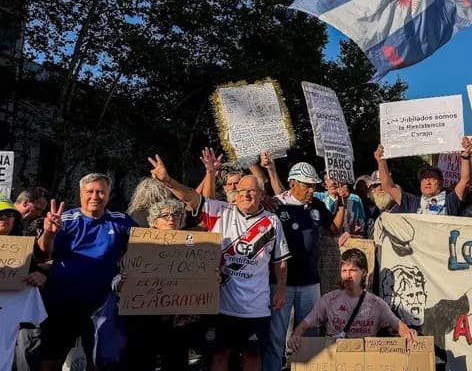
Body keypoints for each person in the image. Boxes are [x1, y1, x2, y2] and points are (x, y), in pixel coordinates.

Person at [147, 155, 289, 371]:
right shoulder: (219, 211)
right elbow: (191, 198)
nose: (246, 195)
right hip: (220, 304)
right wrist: (167, 180)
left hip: (256, 307)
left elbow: (279, 260)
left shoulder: (272, 221)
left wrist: (281, 289)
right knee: (219, 356)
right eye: (242, 191)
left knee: (253, 357)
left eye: (252, 191)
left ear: (261, 195)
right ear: (235, 193)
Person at [37, 173, 135, 371]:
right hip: (63, 300)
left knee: (99, 361)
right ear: (80, 193)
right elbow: (42, 254)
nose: (95, 196)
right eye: (89, 192)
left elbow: (146, 248)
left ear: (109, 194)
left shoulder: (122, 221)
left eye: (100, 192)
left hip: (102, 304)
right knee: (51, 360)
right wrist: (48, 233)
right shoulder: (64, 219)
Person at [264, 162, 344, 371]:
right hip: (281, 284)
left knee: (309, 337)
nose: (311, 190)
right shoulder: (276, 204)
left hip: (310, 282)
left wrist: (342, 204)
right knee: (276, 337)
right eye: (307, 185)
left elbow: (334, 228)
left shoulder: (316, 204)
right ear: (292, 183)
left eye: (314, 186)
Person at [118, 199, 200, 371]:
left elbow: (202, 280)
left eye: (176, 214)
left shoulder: (196, 247)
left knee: (176, 362)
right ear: (153, 222)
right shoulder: (139, 244)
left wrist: (211, 280)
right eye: (164, 215)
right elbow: (118, 276)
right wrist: (121, 283)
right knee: (141, 361)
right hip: (143, 318)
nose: (171, 218)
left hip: (178, 321)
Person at [287, 248, 415, 350]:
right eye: (344, 270)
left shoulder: (377, 304)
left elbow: (397, 324)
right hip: (335, 358)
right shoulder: (329, 300)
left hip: (364, 360)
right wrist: (296, 335)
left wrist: (406, 332)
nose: (348, 275)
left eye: (353, 270)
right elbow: (305, 323)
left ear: (364, 272)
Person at [0, 198, 47, 371]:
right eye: (0, 214)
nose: (4, 218)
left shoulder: (23, 251)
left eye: (9, 214)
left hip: (12, 329)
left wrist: (40, 277)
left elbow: (37, 274)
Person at [374, 137, 472, 216]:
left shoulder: (450, 200)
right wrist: (381, 161)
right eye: (424, 179)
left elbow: (465, 180)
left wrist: (465, 157)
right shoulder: (412, 202)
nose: (427, 182)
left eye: (432, 178)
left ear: (441, 183)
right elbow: (388, 187)